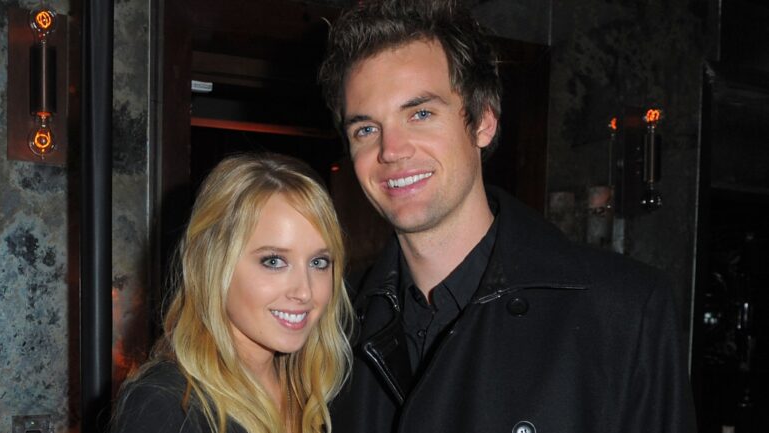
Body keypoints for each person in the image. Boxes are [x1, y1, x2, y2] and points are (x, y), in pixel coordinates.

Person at [318, 1, 697, 432]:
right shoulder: (332, 330)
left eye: (421, 114)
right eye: (365, 129)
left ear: (483, 122)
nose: (391, 150)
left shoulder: (622, 312)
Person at [111, 153, 353, 433]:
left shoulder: (315, 392)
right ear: (213, 264)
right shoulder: (167, 405)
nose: (305, 291)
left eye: (319, 262)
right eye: (274, 261)